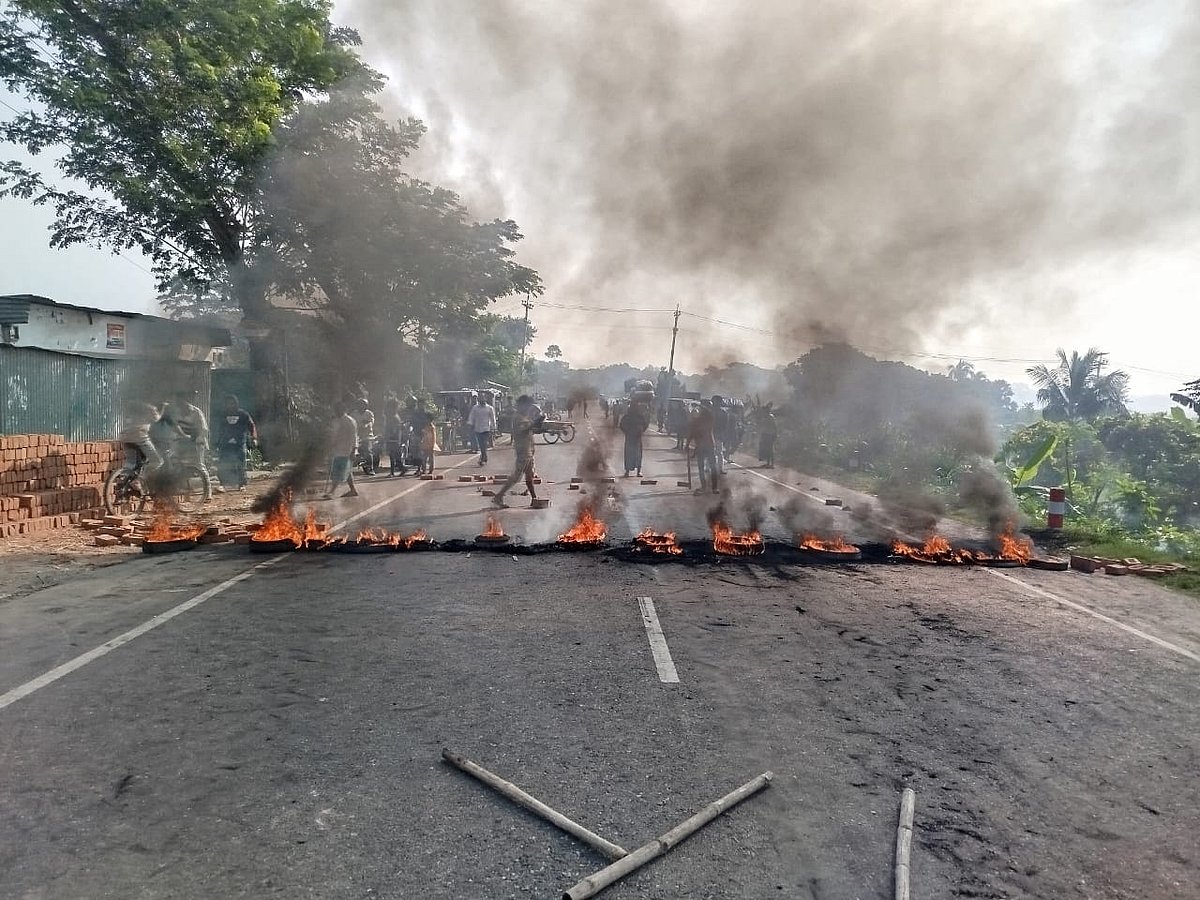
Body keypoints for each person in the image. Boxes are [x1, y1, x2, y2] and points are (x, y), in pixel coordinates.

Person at [493, 394, 543, 508]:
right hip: (523, 450)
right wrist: (534, 423)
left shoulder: (524, 416)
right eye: (527, 406)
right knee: (516, 477)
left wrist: (539, 423)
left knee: (529, 476)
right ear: (521, 405)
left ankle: (534, 498)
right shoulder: (517, 417)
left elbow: (533, 429)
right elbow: (523, 430)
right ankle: (499, 496)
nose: (528, 408)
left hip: (529, 450)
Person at [165, 390, 211, 500]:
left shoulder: (196, 412)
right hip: (181, 441)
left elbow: (203, 429)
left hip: (196, 441)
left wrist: (200, 439)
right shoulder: (175, 413)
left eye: (182, 402)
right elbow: (173, 428)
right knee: (173, 460)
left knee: (199, 465)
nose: (180, 404)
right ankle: (180, 487)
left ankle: (208, 492)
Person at [214, 394, 257, 491]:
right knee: (223, 464)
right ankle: (223, 484)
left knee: (241, 464)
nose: (230, 405)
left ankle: (242, 484)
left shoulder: (243, 414)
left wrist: (254, 438)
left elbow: (252, 425)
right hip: (225, 443)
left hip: (239, 443)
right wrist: (217, 442)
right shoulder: (223, 415)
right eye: (228, 403)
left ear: (236, 403)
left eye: (232, 403)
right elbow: (219, 429)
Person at [118, 400, 165, 475]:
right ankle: (141, 477)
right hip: (139, 436)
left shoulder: (134, 408)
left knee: (130, 462)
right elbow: (157, 419)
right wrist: (163, 408)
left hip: (124, 437)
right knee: (157, 461)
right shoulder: (151, 409)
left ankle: (123, 479)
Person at [325, 402, 360, 499]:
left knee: (339, 471)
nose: (336, 411)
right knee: (346, 471)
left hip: (347, 450)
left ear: (343, 409)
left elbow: (354, 437)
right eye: (336, 409)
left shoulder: (350, 421)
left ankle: (332, 492)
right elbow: (333, 436)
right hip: (337, 450)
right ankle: (353, 490)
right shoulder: (335, 421)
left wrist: (354, 450)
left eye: (338, 409)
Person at [689, 399, 720, 495]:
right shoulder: (697, 418)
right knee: (701, 467)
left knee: (712, 467)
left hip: (709, 444)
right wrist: (687, 444)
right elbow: (692, 432)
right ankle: (704, 487)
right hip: (701, 445)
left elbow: (709, 415)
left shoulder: (709, 417)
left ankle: (714, 487)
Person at [619, 402, 650, 477]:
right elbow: (622, 425)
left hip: (637, 438)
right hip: (630, 438)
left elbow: (645, 424)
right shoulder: (627, 416)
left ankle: (638, 471)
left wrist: (641, 431)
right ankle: (627, 471)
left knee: (638, 455)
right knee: (629, 455)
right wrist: (627, 431)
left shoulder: (640, 417)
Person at [467, 392, 498, 466]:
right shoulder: (475, 408)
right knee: (481, 445)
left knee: (483, 444)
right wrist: (470, 424)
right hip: (477, 429)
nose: (481, 399)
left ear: (485, 399)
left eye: (483, 398)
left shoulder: (489, 408)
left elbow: (493, 419)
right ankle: (484, 457)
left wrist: (494, 428)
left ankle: (483, 458)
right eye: (480, 398)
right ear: (478, 399)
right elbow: (471, 417)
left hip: (486, 429)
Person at [351, 397, 376, 476]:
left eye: (363, 405)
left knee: (368, 452)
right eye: (359, 405)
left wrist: (365, 425)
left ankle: (371, 468)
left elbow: (370, 423)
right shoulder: (353, 414)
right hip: (356, 435)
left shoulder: (369, 413)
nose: (361, 406)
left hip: (367, 435)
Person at [383, 398, 405, 477]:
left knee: (394, 456)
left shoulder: (395, 417)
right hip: (392, 439)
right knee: (393, 456)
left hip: (394, 439)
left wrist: (389, 436)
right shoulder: (392, 416)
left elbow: (394, 429)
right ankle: (400, 469)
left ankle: (397, 470)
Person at [757, 404, 777, 468]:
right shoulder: (766, 417)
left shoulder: (771, 417)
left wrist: (775, 434)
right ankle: (768, 463)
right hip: (766, 434)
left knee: (770, 449)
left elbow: (775, 426)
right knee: (767, 449)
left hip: (770, 434)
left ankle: (772, 464)